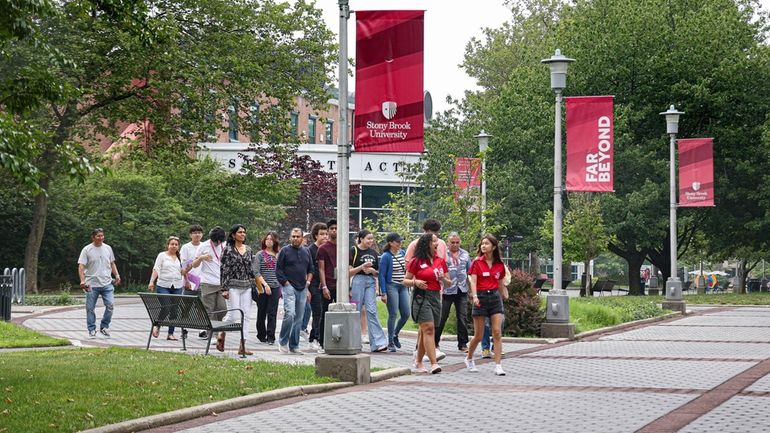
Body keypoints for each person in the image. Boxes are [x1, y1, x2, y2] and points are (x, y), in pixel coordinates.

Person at [403, 233, 450, 374]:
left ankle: (418, 361)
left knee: (426, 330)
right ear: (426, 244)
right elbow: (405, 281)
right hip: (421, 296)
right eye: (434, 241)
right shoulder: (416, 261)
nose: (437, 243)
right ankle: (434, 363)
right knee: (429, 328)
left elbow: (449, 282)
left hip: (436, 296)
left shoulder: (440, 261)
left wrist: (443, 279)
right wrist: (415, 282)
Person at [465, 234, 510, 376]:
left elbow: (500, 282)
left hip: (495, 298)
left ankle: (498, 365)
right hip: (481, 297)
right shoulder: (477, 262)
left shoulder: (499, 265)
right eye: (482, 244)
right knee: (479, 335)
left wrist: (504, 292)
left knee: (497, 332)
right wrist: (475, 296)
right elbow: (473, 281)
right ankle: (469, 358)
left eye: (487, 243)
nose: (483, 246)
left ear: (494, 247)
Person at [218, 224, 255, 356]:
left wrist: (255, 285)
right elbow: (224, 269)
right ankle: (221, 331)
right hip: (232, 286)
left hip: (246, 287)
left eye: (244, 232)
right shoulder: (227, 250)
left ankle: (242, 345)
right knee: (234, 316)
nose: (243, 234)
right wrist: (224, 288)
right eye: (240, 232)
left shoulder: (249, 249)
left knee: (246, 316)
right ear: (233, 235)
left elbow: (251, 269)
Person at [275, 227, 313, 354]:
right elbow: (278, 270)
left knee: (299, 318)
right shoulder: (284, 251)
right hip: (288, 286)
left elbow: (311, 269)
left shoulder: (306, 251)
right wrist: (285, 283)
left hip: (302, 287)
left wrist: (308, 282)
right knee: (290, 314)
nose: (295, 238)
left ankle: (294, 345)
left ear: (302, 238)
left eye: (298, 236)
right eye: (293, 236)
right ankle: (282, 341)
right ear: (290, 237)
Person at [78, 228, 121, 339]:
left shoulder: (108, 248)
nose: (101, 238)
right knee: (90, 308)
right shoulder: (87, 249)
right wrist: (82, 280)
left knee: (110, 305)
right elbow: (81, 266)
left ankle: (104, 327)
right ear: (93, 237)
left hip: (107, 283)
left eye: (102, 236)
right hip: (91, 284)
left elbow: (112, 263)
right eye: (98, 236)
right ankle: (92, 330)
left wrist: (117, 275)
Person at [350, 229, 388, 352]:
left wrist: (372, 271)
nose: (371, 241)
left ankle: (378, 343)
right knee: (356, 309)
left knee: (372, 310)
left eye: (372, 239)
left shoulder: (373, 252)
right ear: (361, 239)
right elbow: (348, 271)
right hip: (357, 281)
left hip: (370, 282)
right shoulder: (354, 250)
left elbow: (377, 273)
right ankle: (353, 342)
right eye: (368, 239)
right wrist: (361, 267)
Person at [436, 232, 471, 352]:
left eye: (457, 242)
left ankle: (463, 344)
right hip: (447, 290)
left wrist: (471, 290)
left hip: (462, 289)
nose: (455, 245)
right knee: (442, 317)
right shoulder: (443, 254)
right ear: (448, 242)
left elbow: (470, 272)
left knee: (462, 317)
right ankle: (435, 342)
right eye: (452, 242)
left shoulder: (465, 254)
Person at [190, 226, 226, 341]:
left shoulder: (224, 245)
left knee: (222, 308)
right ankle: (213, 334)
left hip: (221, 282)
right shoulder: (203, 246)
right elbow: (194, 265)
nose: (217, 243)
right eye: (216, 241)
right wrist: (201, 258)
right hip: (207, 282)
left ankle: (216, 329)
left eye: (220, 241)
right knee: (209, 309)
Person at [148, 236, 186, 341]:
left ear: (178, 246)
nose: (174, 246)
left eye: (176, 244)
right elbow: (156, 269)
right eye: (172, 244)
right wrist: (152, 282)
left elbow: (183, 272)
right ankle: (157, 325)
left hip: (177, 286)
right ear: (168, 245)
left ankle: (170, 333)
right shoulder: (162, 255)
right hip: (163, 285)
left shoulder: (180, 257)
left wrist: (187, 279)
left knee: (174, 310)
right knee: (166, 306)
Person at [379, 232, 409, 352]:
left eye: (400, 241)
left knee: (406, 313)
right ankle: (390, 341)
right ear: (391, 243)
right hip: (391, 286)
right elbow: (381, 275)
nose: (400, 244)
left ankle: (395, 334)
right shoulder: (386, 256)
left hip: (403, 286)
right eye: (397, 242)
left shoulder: (402, 253)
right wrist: (383, 293)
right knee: (393, 314)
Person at [253, 231, 281, 345]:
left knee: (272, 312)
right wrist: (265, 285)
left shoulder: (279, 255)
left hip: (275, 287)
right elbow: (255, 271)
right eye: (267, 239)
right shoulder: (260, 254)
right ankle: (261, 334)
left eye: (271, 239)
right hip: (262, 287)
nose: (269, 241)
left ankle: (271, 336)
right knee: (261, 312)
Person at [316, 219, 338, 353]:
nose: (334, 231)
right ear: (328, 231)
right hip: (328, 285)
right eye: (332, 228)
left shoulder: (343, 246)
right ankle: (322, 342)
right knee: (325, 313)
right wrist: (324, 286)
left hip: (341, 286)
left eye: (336, 228)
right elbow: (321, 269)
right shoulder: (323, 248)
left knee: (342, 313)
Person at [305, 222, 328, 350]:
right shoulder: (309, 250)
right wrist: (307, 288)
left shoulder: (326, 249)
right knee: (317, 312)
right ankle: (316, 339)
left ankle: (316, 338)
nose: (325, 236)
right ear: (315, 236)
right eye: (322, 234)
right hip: (313, 284)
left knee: (323, 312)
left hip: (325, 285)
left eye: (326, 234)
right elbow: (306, 269)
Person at [180, 224, 204, 338]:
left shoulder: (205, 246)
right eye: (194, 232)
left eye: (199, 232)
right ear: (190, 235)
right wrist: (186, 281)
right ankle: (184, 329)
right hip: (190, 281)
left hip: (203, 281)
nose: (197, 234)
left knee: (202, 307)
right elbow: (184, 266)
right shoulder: (186, 247)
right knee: (186, 306)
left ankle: (201, 330)